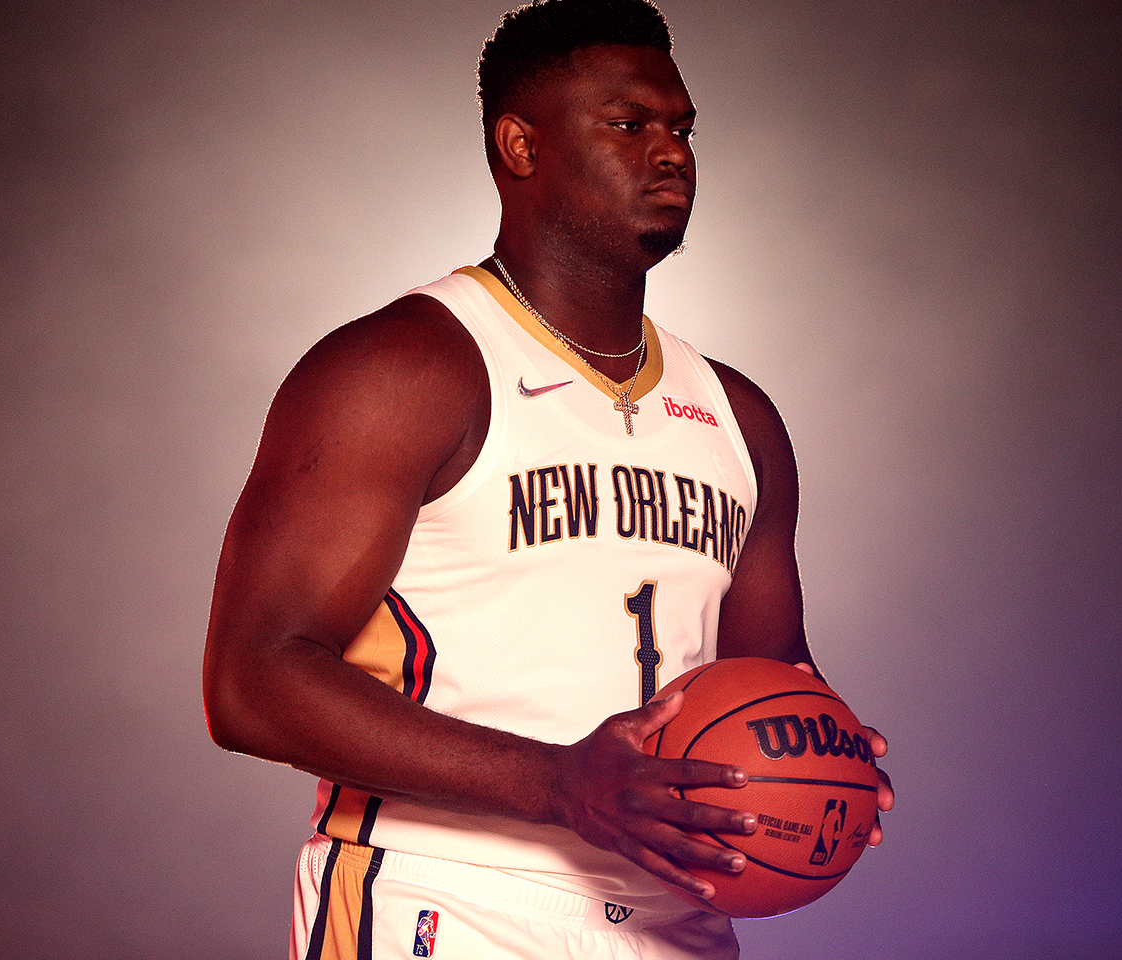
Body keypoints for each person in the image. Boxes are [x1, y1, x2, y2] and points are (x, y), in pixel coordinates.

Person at [203, 1, 893, 957]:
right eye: (629, 124)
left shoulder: (739, 417)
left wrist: (823, 756)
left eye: (682, 127)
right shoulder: (404, 371)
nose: (671, 153)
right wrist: (560, 782)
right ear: (519, 145)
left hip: (678, 915)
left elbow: (769, 674)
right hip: (445, 897)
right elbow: (251, 681)